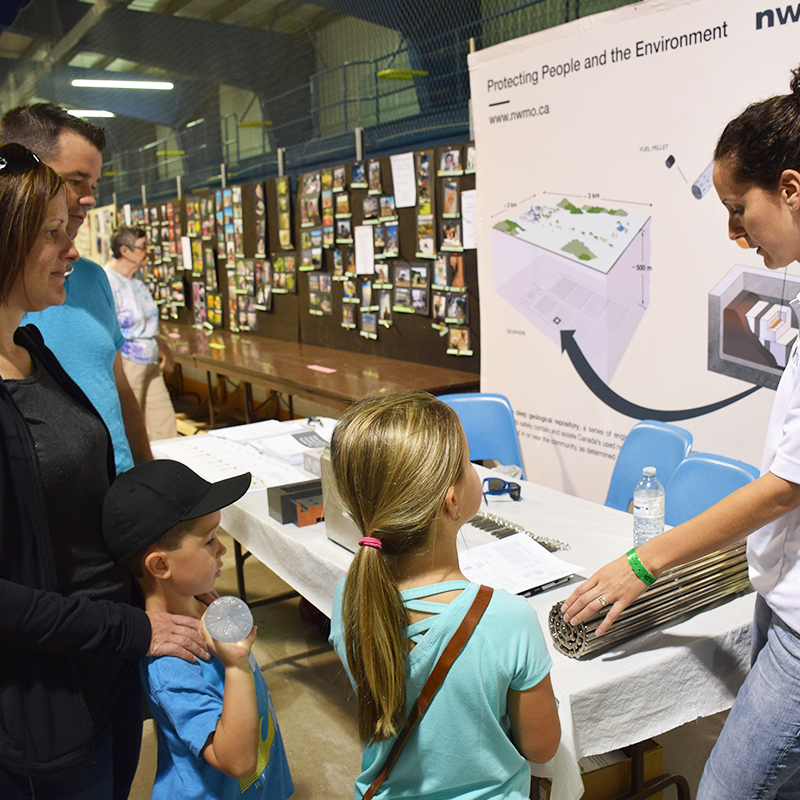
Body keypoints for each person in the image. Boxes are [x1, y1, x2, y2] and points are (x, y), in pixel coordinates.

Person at [561, 64, 800, 799]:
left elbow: (785, 487)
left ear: (791, 189)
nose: (735, 233)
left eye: (739, 207)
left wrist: (643, 565)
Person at [0, 143, 208, 800]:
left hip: (109, 662)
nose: (72, 249)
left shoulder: (30, 348)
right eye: (53, 234)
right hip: (48, 699)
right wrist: (130, 627)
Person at [328, 392, 560, 799]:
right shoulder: (507, 619)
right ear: (452, 501)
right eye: (468, 462)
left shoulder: (350, 596)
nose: (475, 470)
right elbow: (542, 747)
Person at [102, 459, 294, 800]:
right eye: (208, 540)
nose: (221, 548)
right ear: (161, 565)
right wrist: (235, 667)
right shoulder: (172, 666)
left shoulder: (204, 605)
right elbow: (235, 761)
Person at [0, 102, 152, 473]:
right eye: (74, 181)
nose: (89, 198)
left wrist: (148, 477)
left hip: (116, 496)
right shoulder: (22, 298)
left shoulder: (91, 278)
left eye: (94, 184)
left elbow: (117, 385)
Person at [105, 226, 177, 442]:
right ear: (125, 251)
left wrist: (166, 351)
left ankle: (170, 472)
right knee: (133, 428)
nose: (148, 251)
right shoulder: (107, 281)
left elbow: (148, 326)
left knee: (164, 423)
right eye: (143, 247)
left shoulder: (137, 282)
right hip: (127, 363)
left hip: (150, 361)